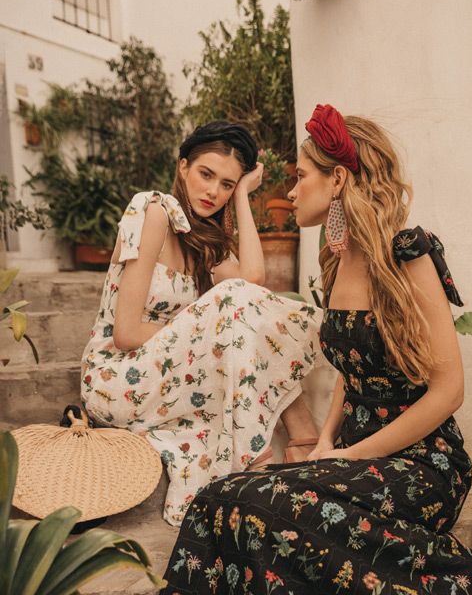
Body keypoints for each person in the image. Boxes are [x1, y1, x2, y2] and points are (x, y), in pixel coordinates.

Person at [143, 106, 472, 595]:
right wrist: (327, 442)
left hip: (421, 463)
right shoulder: (336, 258)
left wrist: (349, 455)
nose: (291, 190)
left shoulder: (408, 253)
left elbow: (448, 391)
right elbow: (347, 371)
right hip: (353, 454)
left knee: (266, 504)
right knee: (220, 497)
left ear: (337, 180)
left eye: (301, 175)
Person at [81, 121, 323, 526]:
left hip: (168, 373)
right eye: (205, 174)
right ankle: (291, 443)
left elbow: (253, 278)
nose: (213, 191)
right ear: (183, 167)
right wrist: (206, 333)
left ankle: (295, 442)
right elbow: (125, 333)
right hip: (115, 378)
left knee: (240, 309)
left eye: (226, 184)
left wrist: (243, 197)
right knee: (231, 309)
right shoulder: (153, 212)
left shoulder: (202, 240)